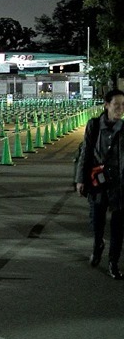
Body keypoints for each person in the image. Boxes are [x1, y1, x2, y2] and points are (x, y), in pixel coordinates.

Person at [76, 89, 124, 279]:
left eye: (122, 105)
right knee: (97, 220)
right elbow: (85, 152)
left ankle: (113, 263)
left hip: (120, 184)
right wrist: (80, 179)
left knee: (118, 227)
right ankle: (98, 244)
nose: (120, 109)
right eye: (116, 104)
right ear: (106, 105)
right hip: (98, 181)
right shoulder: (94, 125)